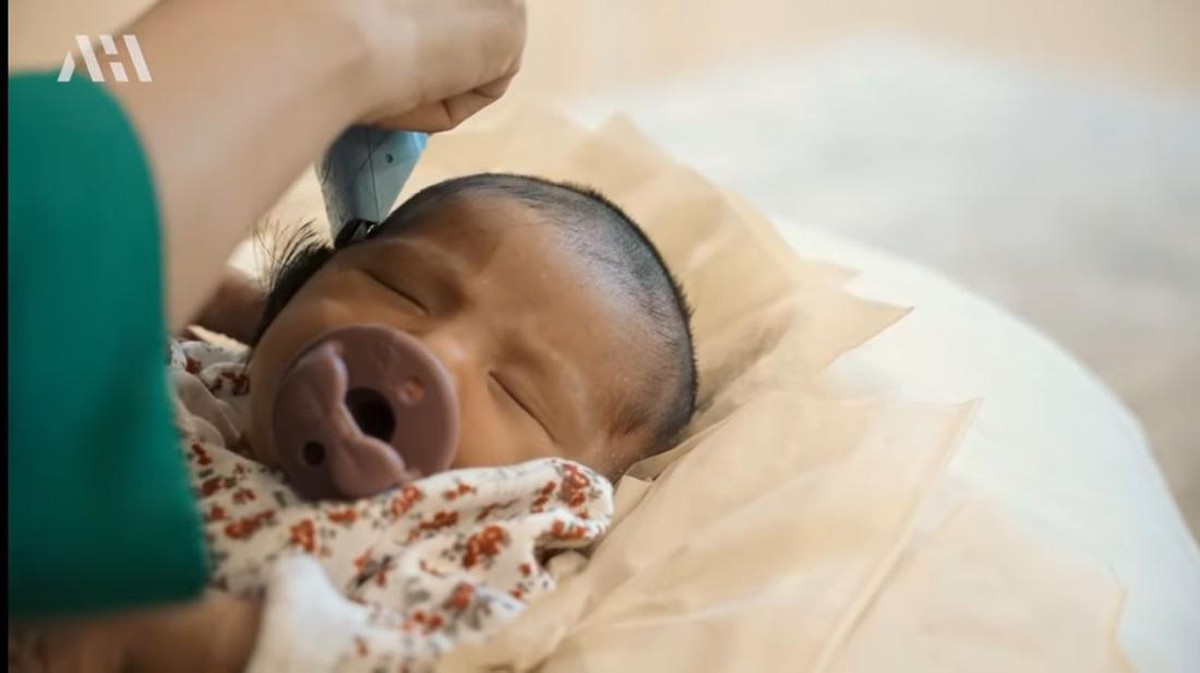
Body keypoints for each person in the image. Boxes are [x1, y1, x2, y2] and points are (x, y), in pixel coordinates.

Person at [9, 0, 526, 647]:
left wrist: (210, 638)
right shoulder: (188, 376)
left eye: (519, 391)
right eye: (396, 288)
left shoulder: (487, 549)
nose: (427, 350)